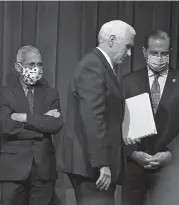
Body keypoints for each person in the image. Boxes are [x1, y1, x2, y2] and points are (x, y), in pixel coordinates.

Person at [60, 20, 136, 205]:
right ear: (111, 40)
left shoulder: (100, 65)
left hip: (93, 164)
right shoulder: (93, 66)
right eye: (127, 46)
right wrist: (102, 163)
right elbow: (93, 118)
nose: (129, 53)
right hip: (92, 167)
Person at [121, 30, 179, 205]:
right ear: (144, 52)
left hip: (170, 168)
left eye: (164, 53)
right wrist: (133, 152)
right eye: (154, 53)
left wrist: (171, 153)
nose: (159, 57)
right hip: (134, 167)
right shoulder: (127, 82)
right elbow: (116, 121)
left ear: (170, 52)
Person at [0, 45, 63, 205]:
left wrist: (24, 117)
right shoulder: (3, 93)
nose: (37, 69)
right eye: (32, 64)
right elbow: (7, 127)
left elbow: (55, 125)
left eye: (40, 65)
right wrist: (41, 122)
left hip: (44, 168)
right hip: (13, 168)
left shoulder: (51, 94)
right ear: (19, 67)